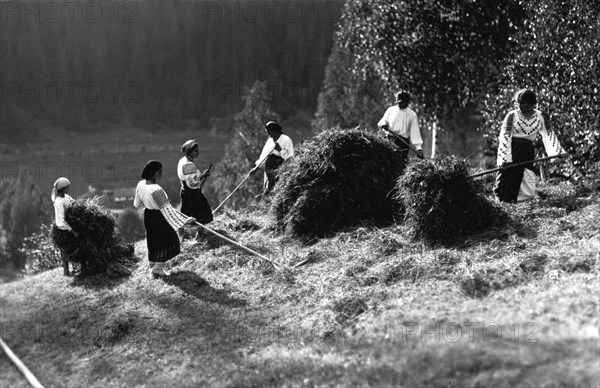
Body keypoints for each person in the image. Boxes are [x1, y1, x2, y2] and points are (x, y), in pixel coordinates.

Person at [494, 89, 565, 203]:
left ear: (532, 103)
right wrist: (504, 159)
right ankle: (502, 204)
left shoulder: (541, 116)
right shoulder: (512, 115)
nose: (521, 106)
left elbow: (548, 135)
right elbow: (505, 137)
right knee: (506, 178)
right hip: (512, 150)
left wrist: (557, 152)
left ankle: (522, 204)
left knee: (526, 177)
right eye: (519, 103)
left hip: (527, 152)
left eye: (524, 102)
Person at [134, 160, 197, 277]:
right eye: (159, 172)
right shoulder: (156, 189)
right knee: (170, 240)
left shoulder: (140, 184)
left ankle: (152, 265)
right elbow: (168, 211)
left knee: (153, 240)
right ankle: (157, 268)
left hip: (148, 216)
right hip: (159, 217)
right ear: (152, 173)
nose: (161, 174)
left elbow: (136, 204)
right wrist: (185, 221)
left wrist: (148, 204)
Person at [377, 90, 424, 164]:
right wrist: (384, 125)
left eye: (405, 102)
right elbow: (382, 121)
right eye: (400, 102)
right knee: (385, 163)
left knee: (399, 164)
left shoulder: (412, 115)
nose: (402, 104)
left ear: (408, 102)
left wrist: (418, 148)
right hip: (389, 140)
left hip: (402, 143)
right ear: (397, 102)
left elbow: (415, 132)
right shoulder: (391, 110)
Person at [177, 140, 213, 236]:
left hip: (185, 192)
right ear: (189, 152)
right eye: (195, 151)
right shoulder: (189, 165)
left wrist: (202, 176)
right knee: (201, 213)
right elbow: (192, 183)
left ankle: (181, 237)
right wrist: (203, 176)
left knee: (183, 214)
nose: (198, 153)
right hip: (192, 194)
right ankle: (199, 235)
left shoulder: (182, 161)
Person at [250, 121, 294, 195]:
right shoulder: (270, 141)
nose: (267, 134)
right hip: (269, 167)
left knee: (275, 187)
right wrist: (256, 168)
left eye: (269, 132)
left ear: (274, 131)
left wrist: (280, 149)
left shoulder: (286, 140)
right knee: (268, 186)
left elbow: (290, 158)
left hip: (280, 166)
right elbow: (264, 156)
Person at [51, 177, 77, 276]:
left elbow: (73, 202)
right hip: (63, 230)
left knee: (73, 249)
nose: (69, 188)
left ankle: (74, 269)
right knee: (65, 251)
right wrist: (73, 231)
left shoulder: (66, 196)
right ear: (63, 188)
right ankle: (66, 272)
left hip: (70, 226)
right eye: (68, 187)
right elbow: (60, 222)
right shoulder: (58, 202)